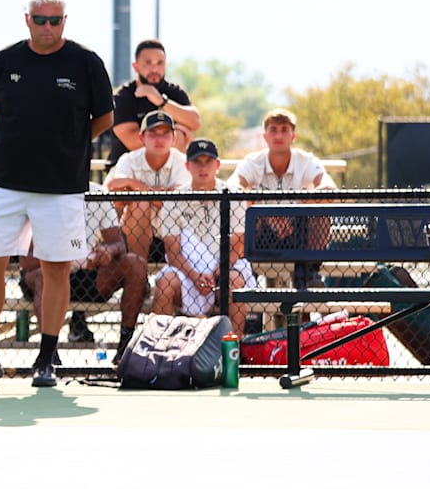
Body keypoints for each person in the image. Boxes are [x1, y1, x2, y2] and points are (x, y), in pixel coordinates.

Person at [0, 0, 114, 388]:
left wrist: (68, 146)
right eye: (40, 19)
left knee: (56, 270)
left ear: (65, 21)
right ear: (26, 19)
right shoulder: (4, 61)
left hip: (62, 187)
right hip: (5, 183)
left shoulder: (87, 63)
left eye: (55, 20)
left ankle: (47, 359)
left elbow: (104, 119)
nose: (47, 26)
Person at [18, 183, 149, 363]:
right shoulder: (37, 192)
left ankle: (124, 350)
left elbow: (119, 244)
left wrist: (107, 251)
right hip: (46, 272)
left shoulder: (97, 193)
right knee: (43, 275)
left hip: (86, 274)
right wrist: (72, 259)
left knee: (136, 264)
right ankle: (49, 356)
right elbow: (27, 261)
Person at [152, 139, 254, 335]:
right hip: (188, 268)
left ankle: (234, 352)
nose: (203, 167)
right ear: (187, 166)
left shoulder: (234, 195)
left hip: (226, 265)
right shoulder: (174, 199)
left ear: (217, 165)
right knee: (165, 284)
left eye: (208, 161)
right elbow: (173, 253)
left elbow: (237, 246)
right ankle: (159, 350)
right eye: (197, 161)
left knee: (235, 282)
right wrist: (196, 277)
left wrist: (216, 273)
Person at [232, 107, 339, 254]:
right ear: (265, 136)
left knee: (321, 211)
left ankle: (312, 268)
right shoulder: (253, 161)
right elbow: (232, 186)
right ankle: (249, 268)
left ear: (293, 136)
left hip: (298, 229)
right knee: (245, 205)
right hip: (261, 230)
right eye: (273, 130)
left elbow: (329, 188)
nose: (279, 135)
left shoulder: (305, 160)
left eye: (284, 129)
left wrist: (297, 206)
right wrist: (264, 211)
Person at [104, 110, 192, 263]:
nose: (159, 139)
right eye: (153, 133)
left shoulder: (182, 161)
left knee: (140, 198)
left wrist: (132, 184)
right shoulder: (129, 159)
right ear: (141, 137)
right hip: (132, 233)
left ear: (174, 139)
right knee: (140, 203)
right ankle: (140, 272)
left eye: (165, 134)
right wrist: (157, 194)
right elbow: (114, 190)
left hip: (176, 234)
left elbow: (178, 202)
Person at [105, 39, 201, 166]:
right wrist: (176, 131)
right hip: (127, 172)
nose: (155, 69)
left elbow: (195, 121)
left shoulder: (174, 92)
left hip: (168, 175)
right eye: (148, 63)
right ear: (136, 66)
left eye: (160, 63)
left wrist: (161, 102)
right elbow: (132, 142)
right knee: (179, 135)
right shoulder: (122, 97)